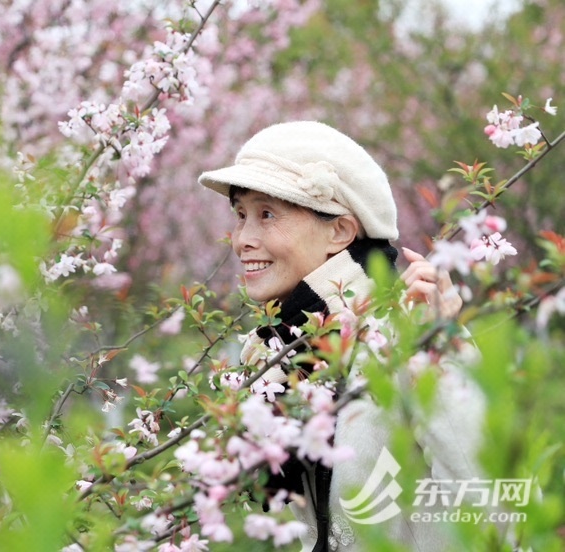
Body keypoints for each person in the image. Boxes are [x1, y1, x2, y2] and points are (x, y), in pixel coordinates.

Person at [198, 121, 485, 551]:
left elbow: (493, 499)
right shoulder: (280, 356)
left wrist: (434, 353)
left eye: (267, 214)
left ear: (340, 231)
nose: (242, 240)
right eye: (241, 216)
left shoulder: (405, 338)